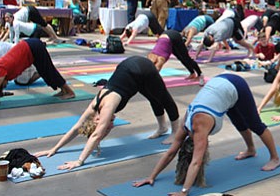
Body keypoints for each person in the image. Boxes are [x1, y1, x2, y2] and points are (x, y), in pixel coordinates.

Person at [133, 74, 280, 196]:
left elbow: (196, 162)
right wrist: (151, 176)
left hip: (235, 85)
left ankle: (275, 158)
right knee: (238, 121)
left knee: (254, 124)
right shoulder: (185, 126)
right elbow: (170, 152)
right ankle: (251, 149)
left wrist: (184, 192)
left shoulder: (200, 130)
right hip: (219, 85)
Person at [35, 56, 181, 169]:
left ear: (97, 120)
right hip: (130, 71)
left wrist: (79, 161)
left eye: (108, 125)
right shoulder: (94, 107)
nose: (111, 124)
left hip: (142, 68)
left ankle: (175, 131)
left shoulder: (106, 108)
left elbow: (96, 135)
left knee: (163, 98)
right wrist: (54, 149)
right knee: (152, 97)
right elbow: (76, 128)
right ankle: (162, 128)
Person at [0, 38, 74, 109]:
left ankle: (70, 92)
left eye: (3, 85)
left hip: (33, 48)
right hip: (29, 49)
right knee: (45, 72)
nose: (5, 85)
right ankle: (63, 90)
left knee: (49, 71)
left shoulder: (0, 69)